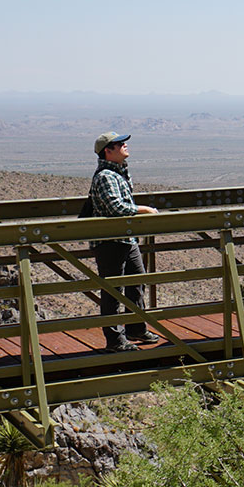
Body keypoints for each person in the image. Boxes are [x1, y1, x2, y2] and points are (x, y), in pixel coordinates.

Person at [89, 131, 162, 350]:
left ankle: (136, 328)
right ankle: (115, 340)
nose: (125, 146)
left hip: (126, 239)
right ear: (108, 151)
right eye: (120, 143)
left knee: (136, 281)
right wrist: (144, 209)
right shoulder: (106, 177)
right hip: (110, 242)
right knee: (113, 291)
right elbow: (116, 208)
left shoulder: (118, 173)